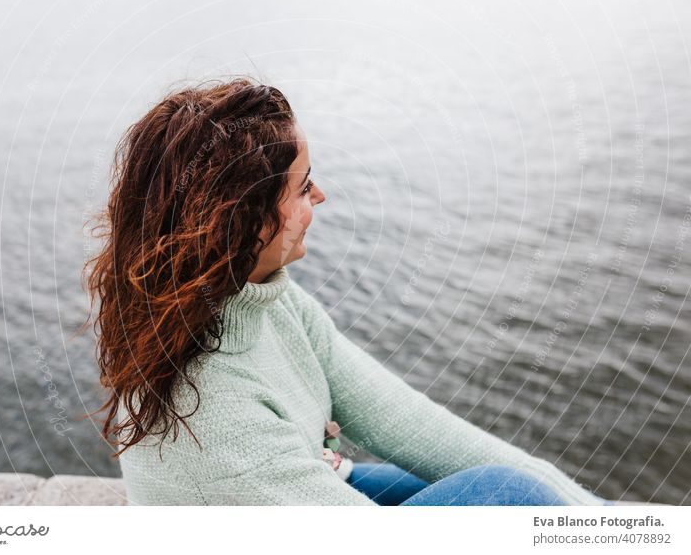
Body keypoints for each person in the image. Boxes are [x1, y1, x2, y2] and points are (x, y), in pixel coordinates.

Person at [83, 77, 611, 506]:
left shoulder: (263, 299)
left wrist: (594, 517)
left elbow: (407, 421)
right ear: (246, 221)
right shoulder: (214, 426)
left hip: (315, 487)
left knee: (518, 490)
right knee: (508, 498)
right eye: (302, 185)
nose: (321, 194)